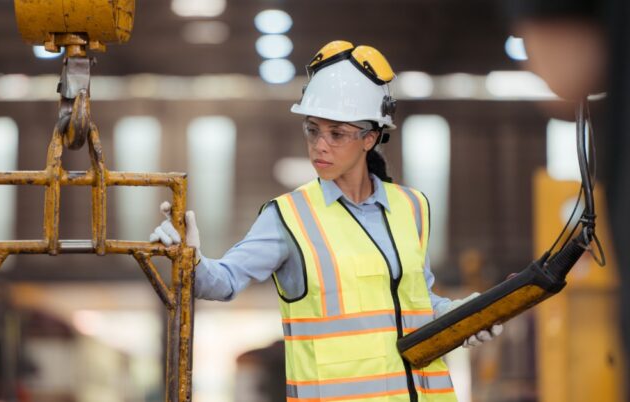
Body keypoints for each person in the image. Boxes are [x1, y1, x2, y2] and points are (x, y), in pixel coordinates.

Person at [150, 40, 502, 402]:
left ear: (369, 138)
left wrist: (462, 315)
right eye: (313, 129)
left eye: (336, 133)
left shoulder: (411, 206)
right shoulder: (288, 217)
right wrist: (189, 260)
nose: (320, 145)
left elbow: (417, 302)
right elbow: (222, 282)